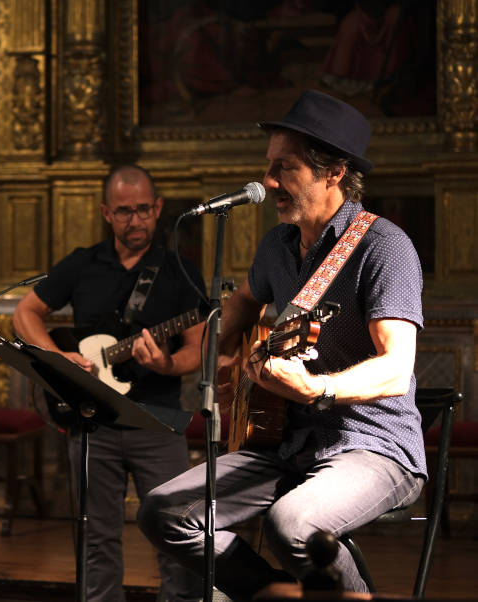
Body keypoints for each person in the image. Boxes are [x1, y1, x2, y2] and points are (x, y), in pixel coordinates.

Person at [137, 89, 426, 600]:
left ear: (334, 172)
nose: (268, 181)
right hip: (287, 441)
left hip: (373, 444)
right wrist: (224, 353)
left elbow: (396, 368)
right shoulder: (277, 245)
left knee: (292, 525)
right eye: (269, 167)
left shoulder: (384, 247)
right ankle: (275, 595)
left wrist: (317, 388)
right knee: (163, 512)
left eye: (285, 168)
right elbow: (245, 302)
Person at [13, 165, 209, 601]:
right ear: (106, 213)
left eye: (143, 210)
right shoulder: (83, 263)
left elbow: (198, 349)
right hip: (92, 423)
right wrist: (59, 358)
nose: (134, 220)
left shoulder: (180, 270)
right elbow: (25, 313)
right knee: (95, 539)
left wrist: (166, 363)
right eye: (124, 211)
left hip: (158, 422)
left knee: (177, 536)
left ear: (158, 208)